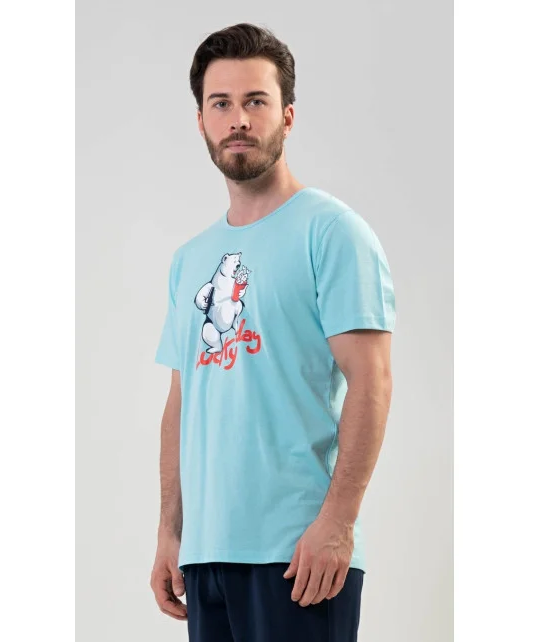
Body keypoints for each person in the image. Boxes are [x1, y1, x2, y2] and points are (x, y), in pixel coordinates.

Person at [150, 22, 396, 642]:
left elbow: (372, 380)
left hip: (299, 555)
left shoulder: (331, 233)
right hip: (206, 557)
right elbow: (181, 402)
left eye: (255, 101)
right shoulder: (190, 259)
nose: (238, 119)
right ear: (201, 121)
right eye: (221, 103)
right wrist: (170, 532)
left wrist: (338, 523)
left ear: (287, 115)